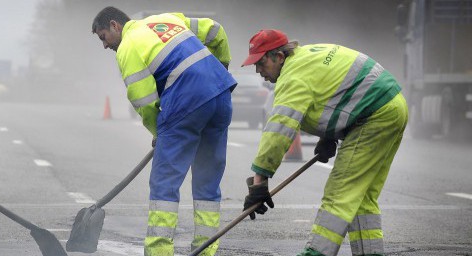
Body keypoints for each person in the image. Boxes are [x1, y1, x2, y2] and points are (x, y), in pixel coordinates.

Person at [240, 29, 408, 256]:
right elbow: (335, 92)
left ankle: (316, 253)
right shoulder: (307, 57)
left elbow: (279, 131)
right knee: (362, 196)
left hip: (374, 115)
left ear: (279, 57)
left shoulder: (292, 76)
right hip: (393, 105)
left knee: (339, 194)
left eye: (261, 63)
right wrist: (328, 136)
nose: (259, 71)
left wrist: (260, 181)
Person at [91, 6, 237, 256]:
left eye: (104, 37)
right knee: (207, 182)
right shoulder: (165, 20)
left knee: (164, 184)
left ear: (115, 25)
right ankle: (206, 250)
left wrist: (158, 132)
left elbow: (144, 101)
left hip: (186, 101)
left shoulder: (128, 47)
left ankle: (159, 251)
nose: (105, 46)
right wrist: (220, 67)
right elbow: (216, 31)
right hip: (221, 95)